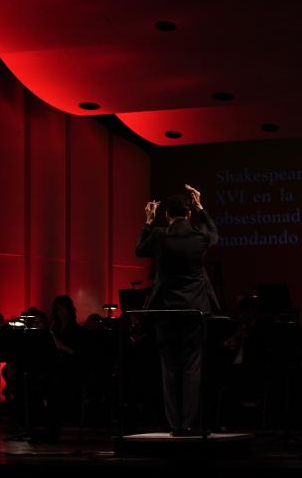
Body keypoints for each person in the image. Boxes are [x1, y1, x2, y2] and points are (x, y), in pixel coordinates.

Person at [135, 185, 219, 436]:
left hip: (166, 310)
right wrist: (202, 207)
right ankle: (189, 422)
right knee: (192, 366)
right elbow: (214, 233)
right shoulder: (199, 236)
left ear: (167, 215)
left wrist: (148, 222)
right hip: (195, 310)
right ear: (189, 214)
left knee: (169, 366)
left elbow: (140, 250)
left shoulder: (160, 235)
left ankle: (175, 424)